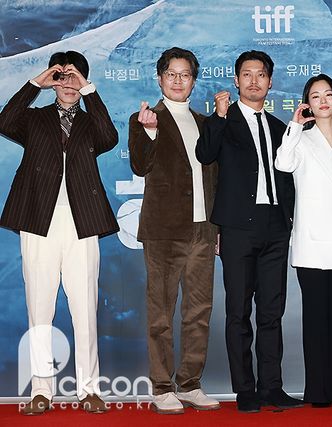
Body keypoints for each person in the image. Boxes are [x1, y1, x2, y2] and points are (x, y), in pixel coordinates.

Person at [0, 51, 118, 415]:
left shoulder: (91, 122)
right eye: (62, 77)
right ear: (53, 81)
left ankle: (89, 389)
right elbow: (5, 121)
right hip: (38, 220)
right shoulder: (34, 118)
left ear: (84, 81)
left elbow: (110, 137)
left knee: (85, 309)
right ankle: (41, 390)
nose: (68, 84)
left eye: (75, 77)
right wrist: (36, 83)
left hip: (82, 222)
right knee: (40, 308)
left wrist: (89, 90)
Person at [196, 50, 301, 413]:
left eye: (261, 75)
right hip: (238, 227)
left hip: (275, 225)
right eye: (247, 74)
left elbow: (288, 178)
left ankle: (272, 386)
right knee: (238, 312)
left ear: (270, 82)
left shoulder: (279, 127)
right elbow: (205, 154)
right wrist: (219, 116)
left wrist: (289, 220)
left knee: (271, 312)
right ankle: (245, 389)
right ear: (236, 80)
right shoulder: (223, 121)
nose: (254, 81)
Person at [128, 47, 219, 414]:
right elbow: (139, 166)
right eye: (171, 74)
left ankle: (191, 383)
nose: (178, 80)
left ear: (193, 81)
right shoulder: (145, 119)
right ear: (160, 78)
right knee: (161, 312)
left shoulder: (205, 122)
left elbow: (215, 178)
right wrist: (149, 132)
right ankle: (162, 386)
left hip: (203, 229)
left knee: (199, 311)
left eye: (185, 74)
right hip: (164, 230)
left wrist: (216, 227)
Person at [274, 74, 332, 408]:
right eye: (315, 96)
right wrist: (294, 127)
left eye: (328, 94)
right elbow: (283, 163)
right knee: (315, 320)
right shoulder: (300, 138)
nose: (323, 101)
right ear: (307, 103)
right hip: (311, 240)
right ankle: (318, 391)